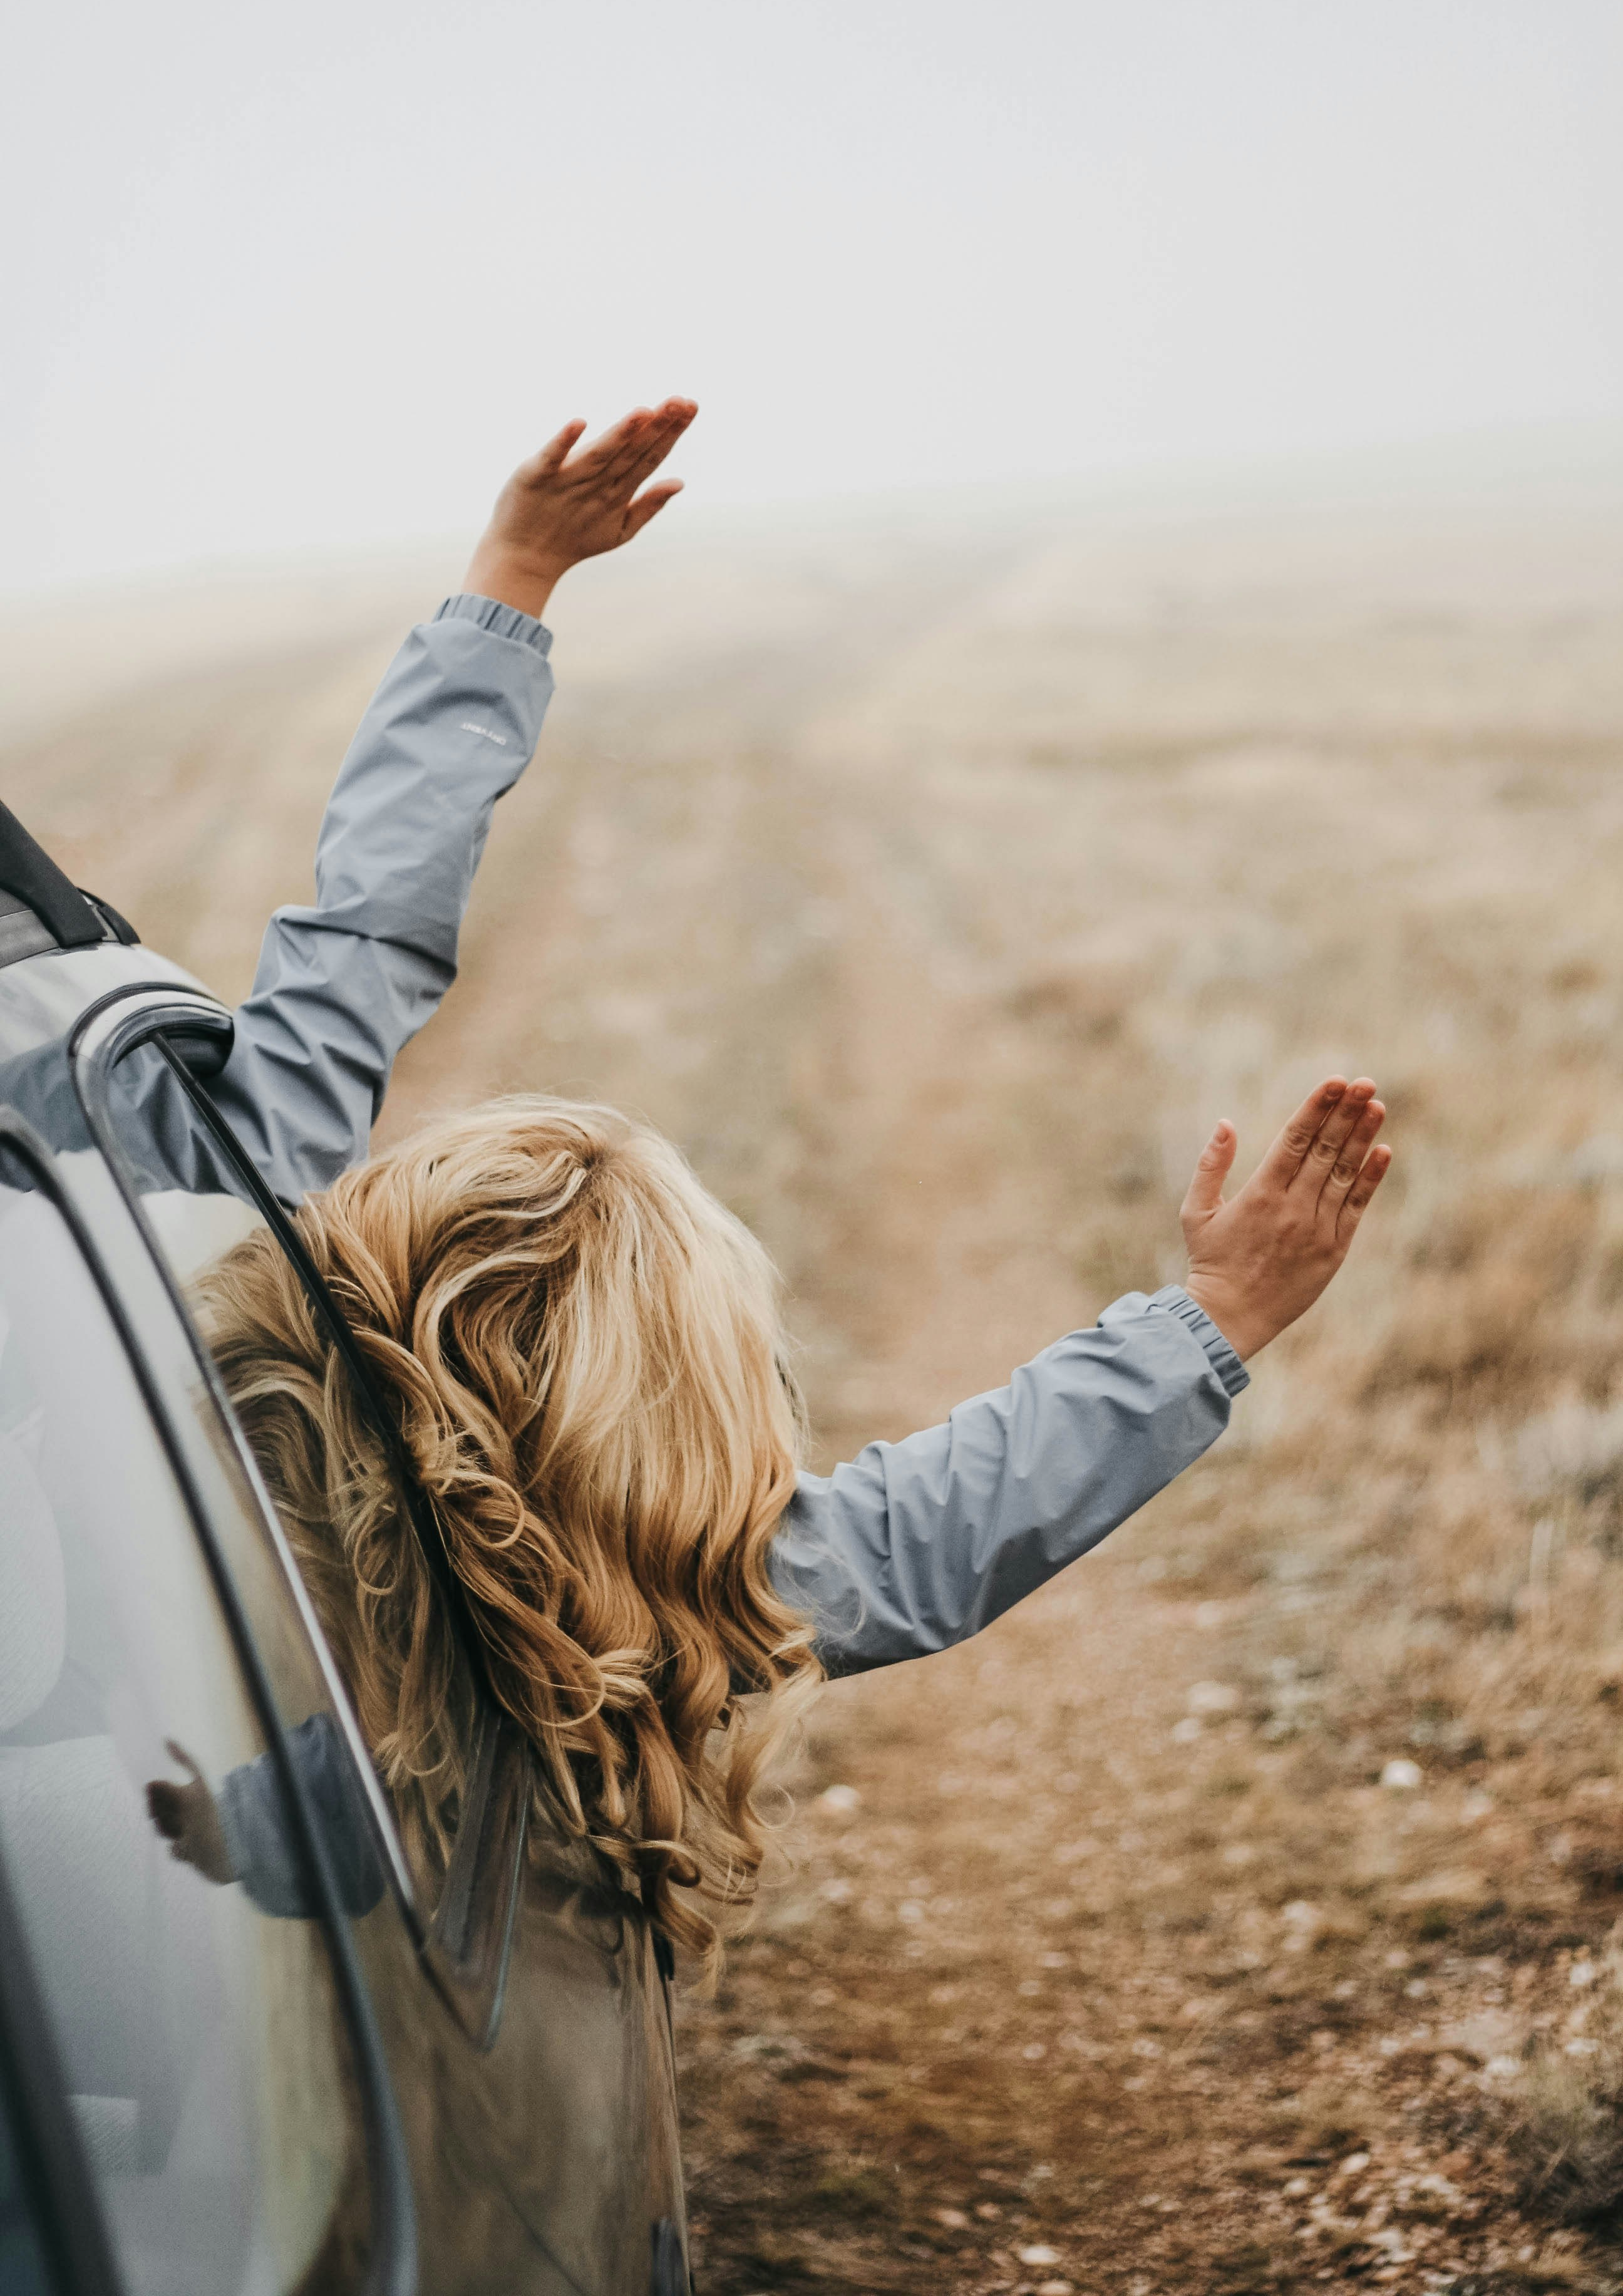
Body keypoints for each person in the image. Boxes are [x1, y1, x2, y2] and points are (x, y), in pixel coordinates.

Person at [158, 401, 1391, 1965]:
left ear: (371, 1270)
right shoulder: (632, 1618)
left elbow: (358, 952)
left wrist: (510, 584)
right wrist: (1213, 1318)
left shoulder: (193, 1373)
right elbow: (938, 1534)